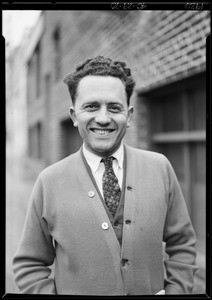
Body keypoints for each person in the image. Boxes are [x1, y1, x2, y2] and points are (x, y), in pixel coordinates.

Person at [13, 56, 198, 295]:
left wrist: (177, 291)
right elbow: (29, 265)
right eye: (91, 106)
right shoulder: (49, 181)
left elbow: (182, 244)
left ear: (129, 115)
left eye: (114, 107)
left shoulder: (160, 167)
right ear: (73, 115)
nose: (103, 118)